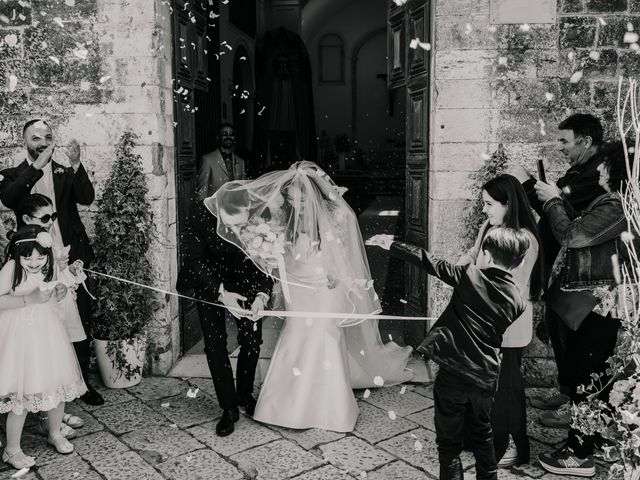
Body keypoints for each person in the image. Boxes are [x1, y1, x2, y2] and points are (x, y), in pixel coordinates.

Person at [209, 161, 413, 432]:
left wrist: (336, 273)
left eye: (300, 199)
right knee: (296, 337)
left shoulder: (335, 215)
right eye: (292, 199)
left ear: (312, 194)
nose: (297, 204)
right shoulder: (285, 215)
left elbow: (344, 254)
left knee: (324, 338)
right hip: (298, 285)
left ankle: (331, 409)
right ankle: (284, 407)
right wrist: (268, 250)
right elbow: (281, 250)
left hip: (325, 288)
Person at [370, 227, 530, 480]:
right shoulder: (518, 302)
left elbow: (431, 262)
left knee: (449, 443)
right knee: (483, 434)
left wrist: (393, 245)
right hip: (485, 377)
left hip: (454, 373)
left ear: (486, 255)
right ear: (519, 262)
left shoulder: (470, 275)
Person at [535, 142, 632, 477]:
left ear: (619, 168)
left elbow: (572, 235)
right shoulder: (616, 203)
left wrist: (552, 200)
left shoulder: (616, 204)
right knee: (591, 375)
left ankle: (579, 455)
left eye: (605, 165)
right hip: (598, 301)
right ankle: (589, 444)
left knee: (588, 377)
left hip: (598, 303)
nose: (600, 171)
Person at [511, 113, 607, 428]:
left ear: (586, 141)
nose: (560, 147)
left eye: (565, 141)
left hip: (585, 276)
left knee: (580, 347)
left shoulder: (596, 177)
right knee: (560, 335)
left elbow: (566, 224)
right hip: (562, 270)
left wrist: (533, 188)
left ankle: (578, 412)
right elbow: (552, 205)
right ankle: (567, 393)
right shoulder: (578, 170)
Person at [0, 119, 103, 406]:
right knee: (43, 324)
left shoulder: (63, 171)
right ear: (25, 142)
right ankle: (42, 390)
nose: (43, 142)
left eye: (47, 137)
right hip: (34, 262)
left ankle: (82, 384)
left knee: (78, 320)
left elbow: (87, 197)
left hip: (72, 257)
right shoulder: (12, 175)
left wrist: (76, 164)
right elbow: (10, 199)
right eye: (36, 138)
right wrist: (36, 168)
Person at [457, 174, 543, 467]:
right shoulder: (489, 228)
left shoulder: (525, 241)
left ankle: (509, 446)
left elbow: (507, 287)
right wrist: (462, 263)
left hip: (507, 327)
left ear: (509, 204)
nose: (485, 210)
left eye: (490, 204)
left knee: (505, 389)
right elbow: (474, 253)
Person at [176, 197, 273, 437]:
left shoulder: (259, 215)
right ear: (221, 213)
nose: (237, 229)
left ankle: (244, 393)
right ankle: (228, 407)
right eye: (233, 224)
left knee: (251, 341)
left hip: (246, 279)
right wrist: (221, 293)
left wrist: (261, 295)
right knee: (215, 345)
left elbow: (268, 260)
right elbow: (195, 261)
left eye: (243, 224)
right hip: (210, 282)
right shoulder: (200, 213)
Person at [0, 225, 87, 469]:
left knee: (57, 384)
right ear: (17, 255)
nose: (34, 261)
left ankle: (55, 432)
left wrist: (59, 293)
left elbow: (53, 297)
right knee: (23, 391)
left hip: (48, 334)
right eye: (27, 256)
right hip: (19, 337)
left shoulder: (48, 267)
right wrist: (29, 299)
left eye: (40, 256)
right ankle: (12, 449)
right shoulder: (11, 269)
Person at [14, 193, 88, 438]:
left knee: (56, 363)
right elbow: (25, 280)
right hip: (33, 315)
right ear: (27, 218)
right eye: (45, 217)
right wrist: (54, 263)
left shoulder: (49, 239)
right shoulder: (24, 245)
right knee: (39, 366)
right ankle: (45, 418)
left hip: (56, 308)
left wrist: (70, 270)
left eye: (53, 216)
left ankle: (54, 412)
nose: (50, 221)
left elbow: (59, 278)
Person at [196, 123, 246, 201]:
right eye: (224, 134)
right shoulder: (206, 160)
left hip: (236, 208)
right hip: (215, 208)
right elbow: (202, 191)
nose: (228, 137)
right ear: (218, 137)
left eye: (231, 134)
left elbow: (243, 189)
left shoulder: (241, 162)